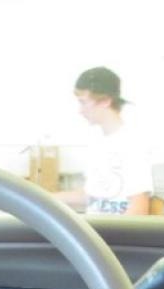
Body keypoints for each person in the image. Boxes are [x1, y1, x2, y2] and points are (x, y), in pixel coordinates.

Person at [55, 67, 152, 215]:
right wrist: (42, 198)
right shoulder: (98, 144)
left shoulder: (132, 144)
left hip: (114, 236)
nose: (80, 111)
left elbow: (139, 208)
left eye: (83, 102)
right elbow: (92, 195)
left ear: (105, 101)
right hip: (96, 233)